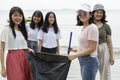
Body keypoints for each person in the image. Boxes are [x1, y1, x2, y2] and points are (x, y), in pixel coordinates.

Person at [0, 6, 34, 80]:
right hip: (12, 58)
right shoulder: (6, 30)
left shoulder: (22, 30)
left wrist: (28, 49)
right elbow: (1, 49)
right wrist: (2, 67)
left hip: (23, 57)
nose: (18, 17)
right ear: (11, 16)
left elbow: (20, 44)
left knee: (25, 77)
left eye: (20, 15)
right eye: (15, 15)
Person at [68, 4, 99, 80]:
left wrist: (75, 55)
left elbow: (92, 48)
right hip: (83, 60)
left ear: (90, 15)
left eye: (85, 13)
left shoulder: (92, 28)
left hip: (89, 61)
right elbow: (86, 46)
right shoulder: (84, 27)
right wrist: (75, 49)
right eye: (80, 13)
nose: (82, 15)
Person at [92, 4, 114, 80]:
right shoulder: (89, 25)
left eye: (101, 12)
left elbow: (109, 43)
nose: (99, 14)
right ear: (93, 13)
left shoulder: (106, 26)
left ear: (103, 14)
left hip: (103, 48)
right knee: (90, 71)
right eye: (97, 12)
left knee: (105, 72)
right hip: (91, 49)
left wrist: (111, 56)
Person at [25, 10, 44, 80]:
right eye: (35, 16)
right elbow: (24, 38)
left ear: (41, 18)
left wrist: (39, 52)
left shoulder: (42, 28)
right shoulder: (27, 25)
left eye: (39, 17)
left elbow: (41, 41)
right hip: (27, 46)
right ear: (33, 17)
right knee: (27, 67)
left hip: (36, 47)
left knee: (35, 67)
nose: (36, 18)